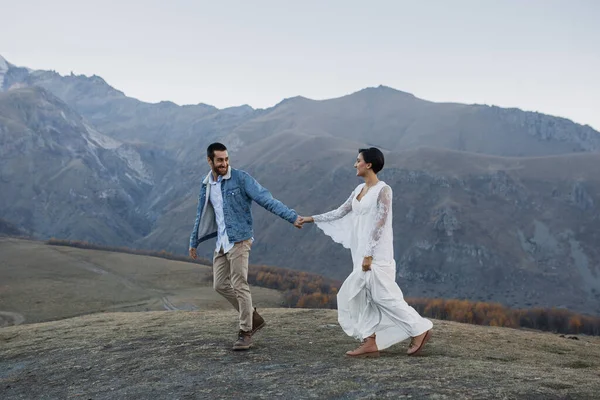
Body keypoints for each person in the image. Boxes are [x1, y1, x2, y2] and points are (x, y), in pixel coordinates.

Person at [299, 147, 433, 357]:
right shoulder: (358, 190)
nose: (355, 164)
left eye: (358, 160)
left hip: (377, 254)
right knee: (364, 296)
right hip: (360, 252)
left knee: (382, 296)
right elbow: (340, 211)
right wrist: (311, 218)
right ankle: (369, 340)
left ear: (368, 164)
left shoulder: (384, 190)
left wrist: (369, 255)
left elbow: (380, 223)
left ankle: (419, 329)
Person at [189, 142, 303, 351]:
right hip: (222, 242)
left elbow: (266, 199)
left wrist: (292, 217)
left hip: (240, 239)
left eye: (226, 159)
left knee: (239, 283)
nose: (224, 164)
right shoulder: (206, 185)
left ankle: (245, 332)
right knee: (219, 285)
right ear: (210, 161)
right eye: (220, 160)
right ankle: (252, 317)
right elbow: (201, 214)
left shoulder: (241, 179)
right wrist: (194, 241)